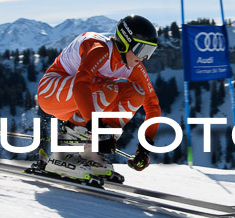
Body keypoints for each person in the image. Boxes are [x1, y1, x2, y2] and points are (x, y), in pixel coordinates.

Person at [36, 15, 161, 182]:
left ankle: (90, 151)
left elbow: (153, 106)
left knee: (136, 93)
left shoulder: (134, 66)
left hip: (80, 104)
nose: (144, 57)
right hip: (50, 93)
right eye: (142, 50)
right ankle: (62, 153)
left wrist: (144, 149)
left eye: (150, 52)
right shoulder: (99, 49)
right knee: (107, 88)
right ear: (125, 42)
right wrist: (96, 128)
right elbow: (81, 84)